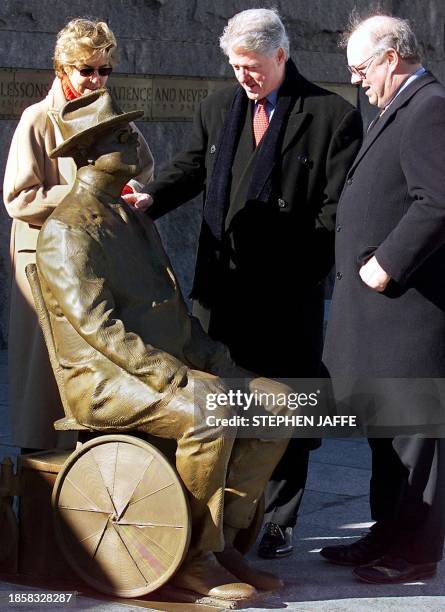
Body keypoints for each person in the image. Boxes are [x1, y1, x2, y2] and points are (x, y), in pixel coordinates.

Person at [36, 89, 293, 602]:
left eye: (129, 130)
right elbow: (101, 330)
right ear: (89, 154)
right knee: (210, 412)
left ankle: (221, 541)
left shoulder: (132, 218)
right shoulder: (68, 231)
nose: (133, 139)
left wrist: (218, 361)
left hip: (157, 368)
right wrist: (180, 378)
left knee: (282, 404)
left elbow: (172, 313)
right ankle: (193, 558)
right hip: (106, 381)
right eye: (118, 136)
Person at [132, 8, 363, 558]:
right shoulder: (218, 105)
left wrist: (301, 274)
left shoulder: (331, 115)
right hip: (223, 287)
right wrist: (149, 198)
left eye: (253, 66)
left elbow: (336, 212)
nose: (244, 76)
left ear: (282, 55)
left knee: (290, 404)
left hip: (287, 294)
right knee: (222, 399)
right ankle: (221, 509)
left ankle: (280, 517)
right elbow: (191, 168)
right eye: (235, 66)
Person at [321, 14, 445, 583]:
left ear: (391, 56)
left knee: (415, 440)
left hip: (409, 313)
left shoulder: (429, 108)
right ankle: (386, 533)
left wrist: (385, 264)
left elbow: (437, 202)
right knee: (385, 437)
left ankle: (415, 551)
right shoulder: (397, 106)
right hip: (382, 318)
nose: (359, 82)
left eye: (361, 69)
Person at [3, 18, 153, 450]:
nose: (95, 79)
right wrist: (84, 195)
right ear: (62, 69)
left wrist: (130, 191)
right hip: (45, 258)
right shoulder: (37, 118)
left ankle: (94, 449)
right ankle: (38, 458)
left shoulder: (110, 113)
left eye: (104, 70)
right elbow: (19, 197)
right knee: (45, 368)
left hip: (95, 253)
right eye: (86, 70)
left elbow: (141, 170)